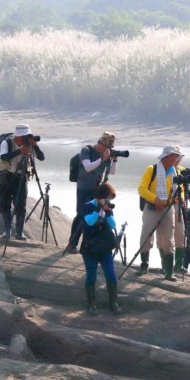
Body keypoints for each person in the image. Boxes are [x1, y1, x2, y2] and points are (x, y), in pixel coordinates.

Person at [136, 145, 184, 281]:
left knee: (168, 239)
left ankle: (169, 272)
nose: (176, 159)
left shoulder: (174, 172)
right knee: (146, 236)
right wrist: (155, 199)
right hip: (151, 207)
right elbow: (142, 189)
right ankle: (144, 265)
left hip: (168, 208)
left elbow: (176, 191)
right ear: (166, 157)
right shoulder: (152, 170)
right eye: (174, 156)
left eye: (177, 156)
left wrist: (176, 198)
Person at [66, 132, 117, 254]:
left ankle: (87, 244)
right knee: (81, 214)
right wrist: (102, 159)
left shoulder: (106, 154)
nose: (109, 150)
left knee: (94, 214)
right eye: (108, 147)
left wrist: (114, 160)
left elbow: (113, 172)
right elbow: (88, 167)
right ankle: (72, 243)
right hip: (83, 187)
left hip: (96, 189)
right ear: (101, 143)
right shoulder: (87, 150)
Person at [0, 124, 45, 240]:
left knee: (20, 204)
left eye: (27, 136)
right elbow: (3, 157)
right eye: (24, 136)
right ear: (18, 137)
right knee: (5, 203)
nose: (26, 139)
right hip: (5, 174)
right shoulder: (7, 143)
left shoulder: (29, 145)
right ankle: (7, 231)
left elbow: (42, 157)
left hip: (21, 176)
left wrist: (35, 146)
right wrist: (20, 151)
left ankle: (19, 232)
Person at [79, 183, 120, 315]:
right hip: (90, 248)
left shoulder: (108, 208)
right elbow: (89, 222)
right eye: (107, 198)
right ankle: (91, 304)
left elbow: (113, 225)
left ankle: (113, 303)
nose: (109, 201)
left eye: (110, 199)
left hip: (104, 248)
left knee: (111, 275)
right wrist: (98, 208)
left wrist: (108, 212)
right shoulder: (87, 206)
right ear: (101, 197)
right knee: (91, 275)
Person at [171, 162, 190, 275]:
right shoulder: (162, 170)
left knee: (181, 235)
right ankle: (167, 266)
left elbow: (182, 187)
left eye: (179, 157)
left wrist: (188, 194)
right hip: (167, 205)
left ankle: (178, 265)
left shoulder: (181, 169)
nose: (178, 160)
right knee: (166, 237)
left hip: (180, 206)